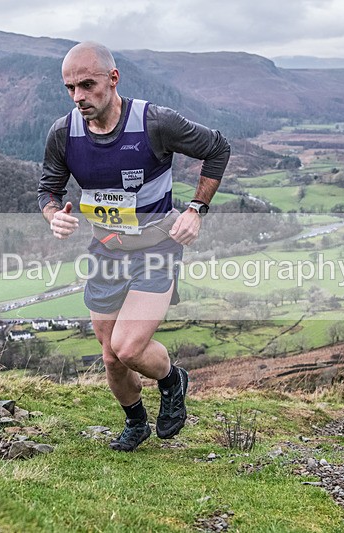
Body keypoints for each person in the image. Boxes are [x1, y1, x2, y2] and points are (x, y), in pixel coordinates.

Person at [38, 42, 230, 452]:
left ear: (113, 78)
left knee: (128, 347)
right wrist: (54, 214)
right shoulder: (63, 132)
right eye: (70, 87)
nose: (78, 97)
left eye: (87, 85)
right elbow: (47, 189)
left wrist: (196, 209)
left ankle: (172, 379)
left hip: (156, 248)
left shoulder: (155, 122)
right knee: (110, 356)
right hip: (106, 250)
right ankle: (136, 422)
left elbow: (217, 148)